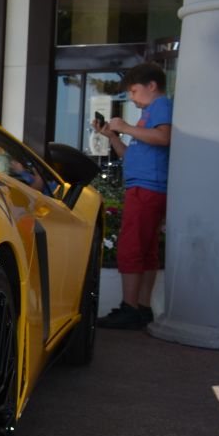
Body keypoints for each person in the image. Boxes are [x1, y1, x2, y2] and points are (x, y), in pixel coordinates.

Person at [94, 62, 173, 329]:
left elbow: (164, 137)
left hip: (147, 188)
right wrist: (113, 136)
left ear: (152, 86)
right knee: (147, 249)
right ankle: (141, 307)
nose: (132, 98)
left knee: (131, 246)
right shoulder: (149, 114)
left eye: (135, 91)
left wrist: (126, 128)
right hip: (148, 185)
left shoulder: (160, 106)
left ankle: (130, 307)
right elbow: (130, 156)